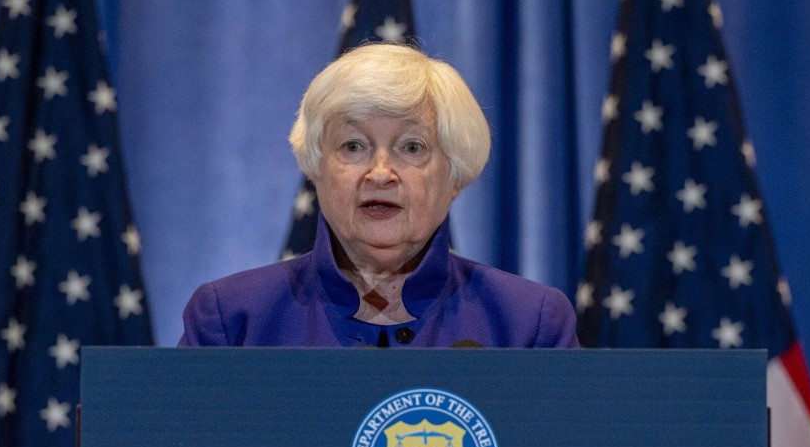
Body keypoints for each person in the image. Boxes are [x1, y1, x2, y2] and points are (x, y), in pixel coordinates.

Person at [179, 43, 578, 348]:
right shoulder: (232, 320)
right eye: (353, 146)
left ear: (455, 175)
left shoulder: (528, 325)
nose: (381, 173)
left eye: (412, 148)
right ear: (315, 167)